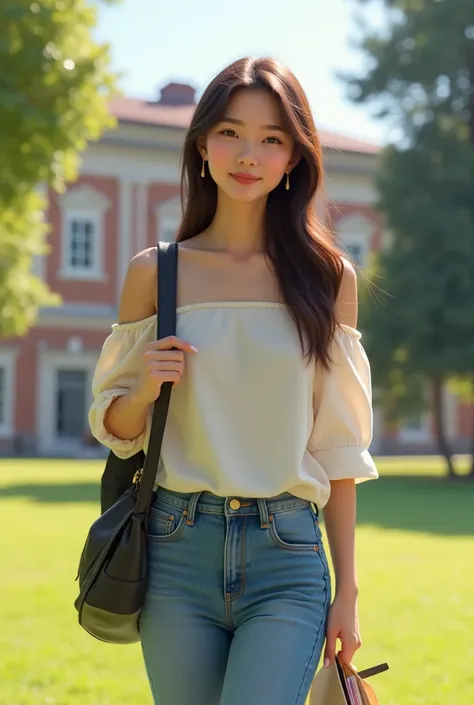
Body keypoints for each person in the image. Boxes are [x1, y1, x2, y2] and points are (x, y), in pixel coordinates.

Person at [88, 56, 379, 705]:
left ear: (295, 158)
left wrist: (349, 589)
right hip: (174, 550)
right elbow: (118, 429)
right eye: (231, 132)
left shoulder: (328, 279)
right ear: (202, 144)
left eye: (272, 138)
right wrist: (144, 386)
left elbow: (338, 447)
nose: (248, 154)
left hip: (287, 556)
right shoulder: (155, 274)